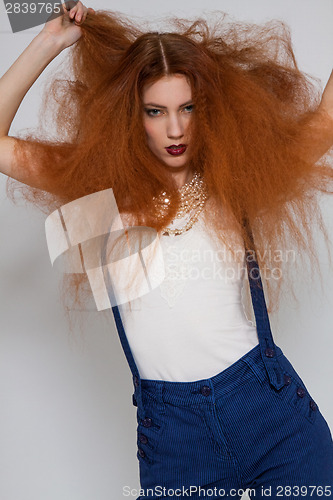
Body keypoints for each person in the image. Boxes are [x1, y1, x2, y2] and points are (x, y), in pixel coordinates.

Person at [1, 2, 333, 498]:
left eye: (188, 108)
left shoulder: (231, 177)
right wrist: (51, 39)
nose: (175, 130)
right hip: (175, 435)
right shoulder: (99, 191)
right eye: (155, 111)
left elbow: (325, 123)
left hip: (267, 407)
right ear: (132, 115)